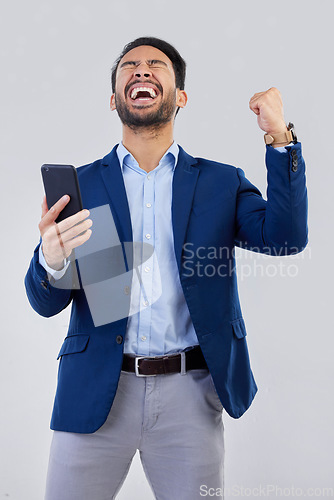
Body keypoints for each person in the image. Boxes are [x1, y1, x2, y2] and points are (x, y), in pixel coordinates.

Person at [25, 36, 308, 500]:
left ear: (180, 97)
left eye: (155, 65)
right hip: (96, 388)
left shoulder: (221, 182)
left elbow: (286, 238)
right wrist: (51, 262)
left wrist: (281, 138)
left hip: (190, 396)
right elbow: (44, 302)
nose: (141, 70)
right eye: (129, 67)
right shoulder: (83, 185)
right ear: (113, 98)